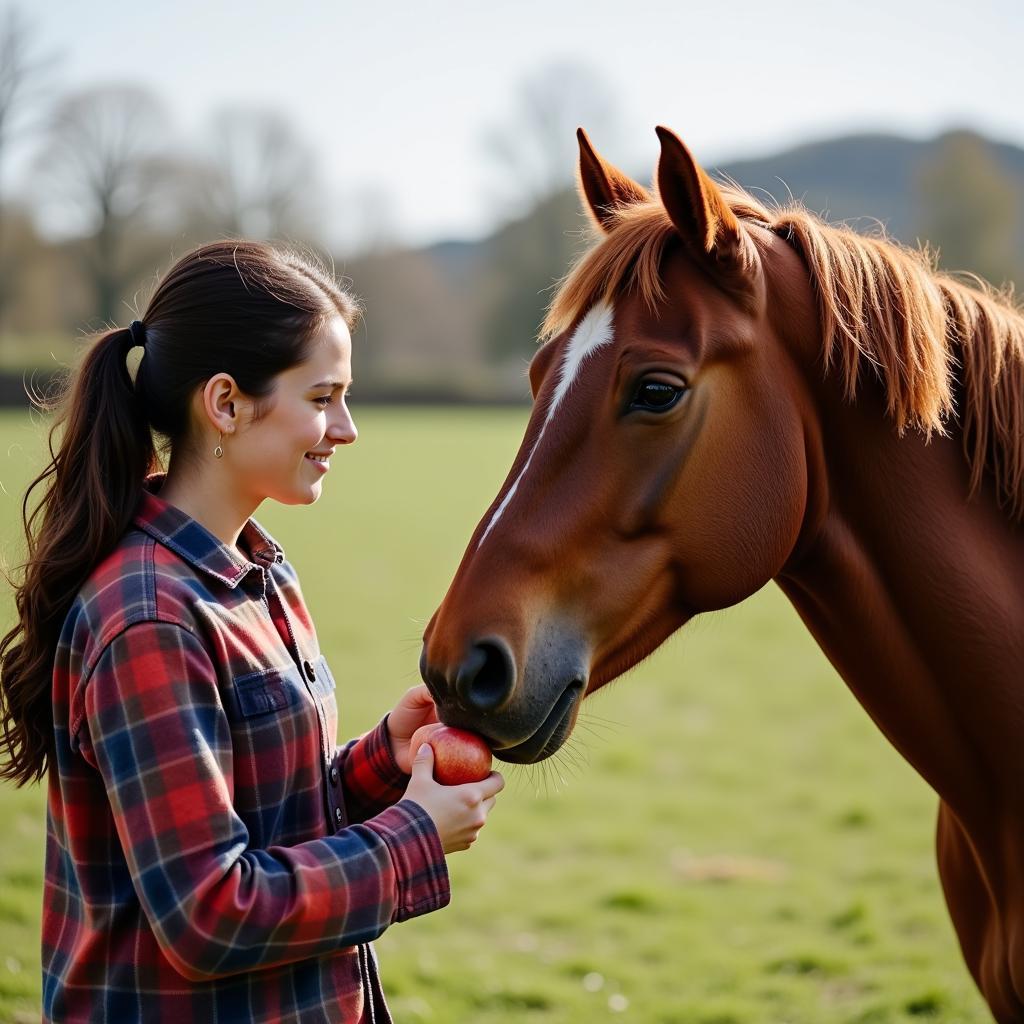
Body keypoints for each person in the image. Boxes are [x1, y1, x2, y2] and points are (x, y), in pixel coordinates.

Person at [0, 240, 505, 1023]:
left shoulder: (260, 573)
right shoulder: (150, 619)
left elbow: (266, 813)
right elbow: (210, 913)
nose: (347, 428)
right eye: (323, 396)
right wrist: (414, 838)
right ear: (227, 404)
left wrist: (383, 761)